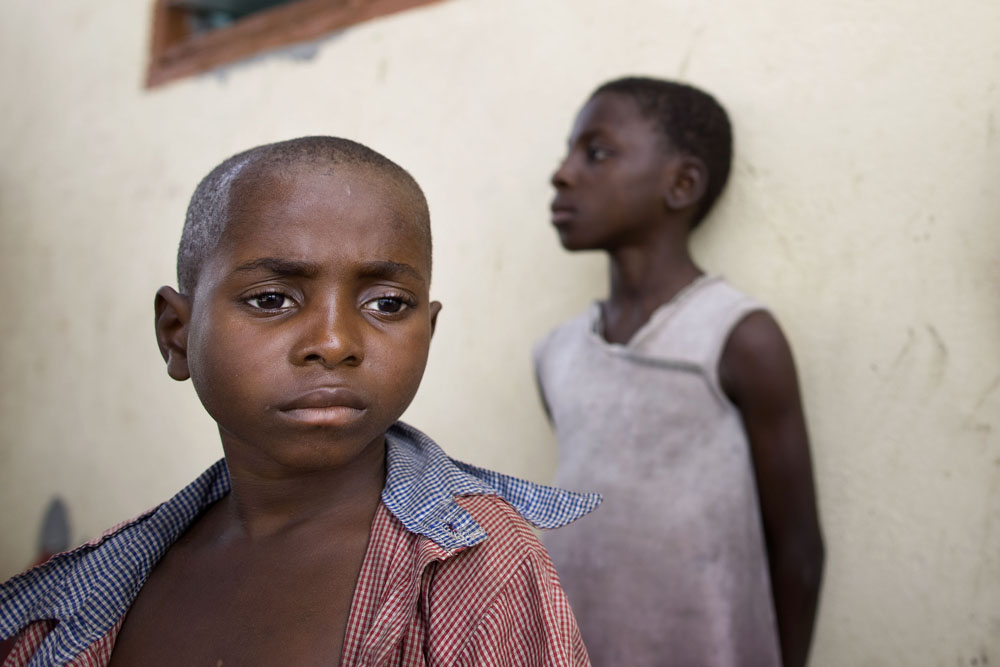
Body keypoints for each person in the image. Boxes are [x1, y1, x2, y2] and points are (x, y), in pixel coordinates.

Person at [0, 136, 600, 666]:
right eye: (272, 299)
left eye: (387, 304)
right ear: (177, 334)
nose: (334, 343)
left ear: (428, 333)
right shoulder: (84, 595)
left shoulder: (477, 573)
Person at [535, 77, 825, 667]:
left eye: (596, 152)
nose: (562, 174)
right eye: (568, 153)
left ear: (682, 184)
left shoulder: (736, 337)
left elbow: (798, 550)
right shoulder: (558, 354)